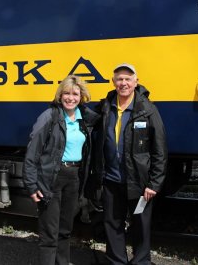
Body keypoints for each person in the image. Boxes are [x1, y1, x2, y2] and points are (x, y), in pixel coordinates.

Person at [90, 63, 167, 265]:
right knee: (112, 223)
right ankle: (117, 261)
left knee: (141, 224)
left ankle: (141, 261)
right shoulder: (106, 107)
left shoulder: (148, 110)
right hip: (111, 178)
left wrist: (154, 183)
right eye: (119, 79)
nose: (123, 83)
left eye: (128, 79)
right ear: (113, 82)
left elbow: (160, 150)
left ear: (136, 82)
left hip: (139, 182)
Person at [23, 75, 99, 265]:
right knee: (50, 233)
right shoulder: (49, 117)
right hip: (52, 179)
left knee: (65, 230)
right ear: (60, 94)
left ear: (81, 96)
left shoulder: (84, 119)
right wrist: (32, 186)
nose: (70, 98)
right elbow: (32, 152)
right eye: (66, 93)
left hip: (74, 178)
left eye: (75, 93)